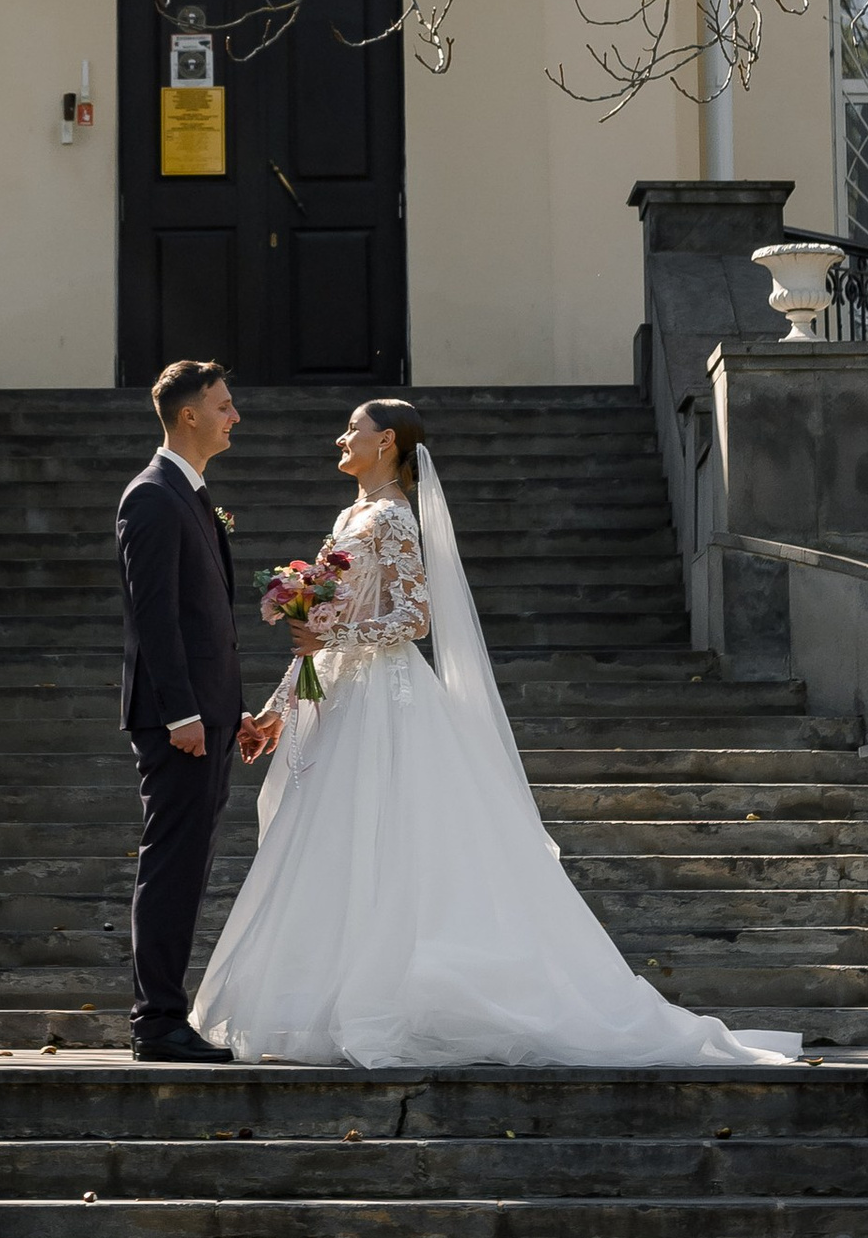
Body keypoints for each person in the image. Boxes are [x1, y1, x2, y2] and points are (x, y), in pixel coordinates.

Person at [191, 396, 803, 1071]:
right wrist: (279, 708)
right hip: (342, 698)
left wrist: (334, 630)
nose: (341, 437)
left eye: (354, 430)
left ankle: (400, 999)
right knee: (340, 845)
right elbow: (320, 640)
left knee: (390, 844)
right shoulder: (350, 516)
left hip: (388, 703)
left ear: (386, 441)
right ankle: (335, 996)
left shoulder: (394, 517)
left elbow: (414, 619)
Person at [114, 358, 279, 1063]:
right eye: (223, 405)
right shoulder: (151, 497)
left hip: (209, 719)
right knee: (173, 866)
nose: (233, 416)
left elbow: (208, 623)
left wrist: (231, 711)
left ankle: (166, 1015)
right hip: (177, 723)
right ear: (189, 415)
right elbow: (153, 617)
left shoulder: (192, 495)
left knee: (189, 865)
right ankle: (156, 1021)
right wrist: (182, 713)